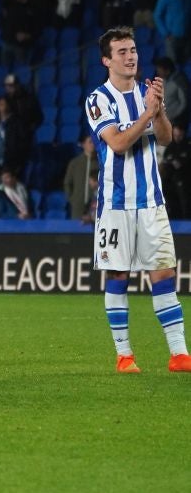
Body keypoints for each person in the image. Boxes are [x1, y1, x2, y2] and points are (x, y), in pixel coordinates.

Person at [85, 27, 188, 374]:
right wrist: (147, 113)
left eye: (133, 50)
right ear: (106, 60)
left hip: (151, 202)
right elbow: (116, 143)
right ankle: (125, 355)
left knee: (163, 273)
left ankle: (179, 354)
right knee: (118, 274)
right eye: (122, 52)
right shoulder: (98, 99)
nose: (131, 56)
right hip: (114, 205)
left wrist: (158, 111)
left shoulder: (147, 93)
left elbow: (166, 138)